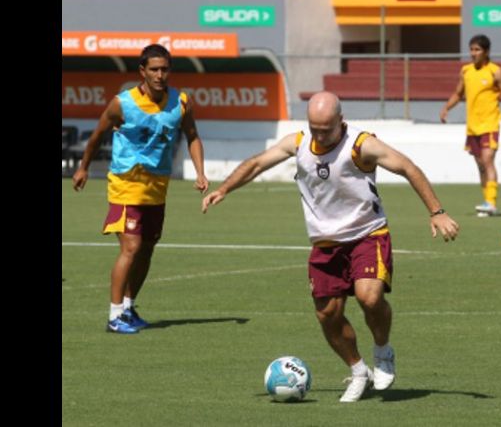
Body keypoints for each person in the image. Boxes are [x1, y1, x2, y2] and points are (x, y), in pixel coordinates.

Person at [201, 91, 459, 402]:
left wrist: (436, 211)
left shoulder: (361, 145)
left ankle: (382, 351)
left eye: (326, 129)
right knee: (328, 316)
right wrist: (224, 188)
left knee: (369, 296)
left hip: (367, 234)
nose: (320, 135)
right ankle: (359, 371)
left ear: (341, 121)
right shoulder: (297, 142)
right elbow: (257, 163)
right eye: (314, 128)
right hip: (324, 244)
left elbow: (407, 167)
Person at [73, 44, 209, 334]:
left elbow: (193, 135)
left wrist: (200, 172)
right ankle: (113, 316)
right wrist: (83, 167)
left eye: (165, 69)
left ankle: (128, 307)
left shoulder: (180, 102)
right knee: (131, 247)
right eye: (154, 69)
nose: (160, 75)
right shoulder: (122, 104)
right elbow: (97, 136)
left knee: (147, 249)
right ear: (142, 72)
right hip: (126, 183)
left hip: (157, 187)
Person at [439, 34, 501, 217]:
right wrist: (446, 108)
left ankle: (491, 202)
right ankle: (486, 202)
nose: (473, 53)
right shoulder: (465, 71)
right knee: (480, 165)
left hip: (490, 124)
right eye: (472, 49)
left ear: (486, 52)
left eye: (477, 50)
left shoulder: (495, 71)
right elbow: (458, 93)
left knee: (488, 159)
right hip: (472, 127)